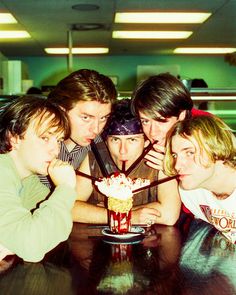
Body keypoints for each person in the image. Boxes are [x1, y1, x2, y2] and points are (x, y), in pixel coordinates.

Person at [72, 99, 181, 225]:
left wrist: (111, 211)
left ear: (146, 141)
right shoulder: (96, 157)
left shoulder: (158, 160)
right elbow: (70, 208)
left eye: (132, 140)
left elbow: (170, 215)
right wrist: (129, 217)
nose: (123, 150)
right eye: (115, 140)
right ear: (106, 141)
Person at [0, 95, 77, 262]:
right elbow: (32, 245)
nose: (56, 150)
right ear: (14, 138)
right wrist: (65, 188)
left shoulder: (27, 179)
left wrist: (15, 243)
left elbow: (58, 223)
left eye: (58, 140)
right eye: (45, 138)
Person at [131, 72, 211, 217]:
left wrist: (174, 167)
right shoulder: (143, 136)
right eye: (145, 121)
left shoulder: (207, 131)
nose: (153, 132)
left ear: (181, 115)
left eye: (162, 120)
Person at [39, 69, 117, 188]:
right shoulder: (35, 143)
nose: (96, 130)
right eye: (86, 117)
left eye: (103, 118)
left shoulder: (101, 145)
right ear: (61, 110)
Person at [164, 115, 236, 243]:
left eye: (189, 153)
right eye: (175, 155)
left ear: (217, 146)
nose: (177, 165)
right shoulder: (191, 193)